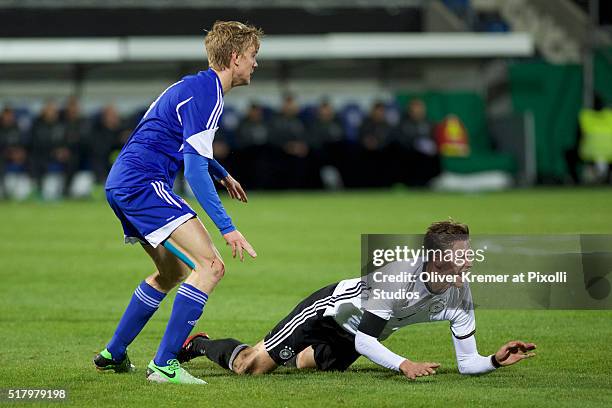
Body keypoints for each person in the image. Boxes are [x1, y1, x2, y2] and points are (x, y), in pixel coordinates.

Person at [94, 20, 263, 384]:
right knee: (211, 266)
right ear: (234, 58)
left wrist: (221, 171)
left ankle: (113, 353)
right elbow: (193, 171)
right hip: (143, 184)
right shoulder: (209, 95)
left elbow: (176, 140)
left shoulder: (193, 87)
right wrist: (228, 228)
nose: (255, 64)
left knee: (172, 273)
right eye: (252, 56)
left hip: (124, 183)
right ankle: (165, 364)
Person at [177, 220, 536, 379]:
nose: (469, 260)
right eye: (462, 254)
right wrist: (404, 364)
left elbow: (466, 363)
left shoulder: (460, 292)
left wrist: (493, 360)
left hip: (358, 337)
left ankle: (280, 349)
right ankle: (200, 345)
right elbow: (367, 340)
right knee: (251, 368)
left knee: (306, 366)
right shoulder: (398, 278)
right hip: (327, 314)